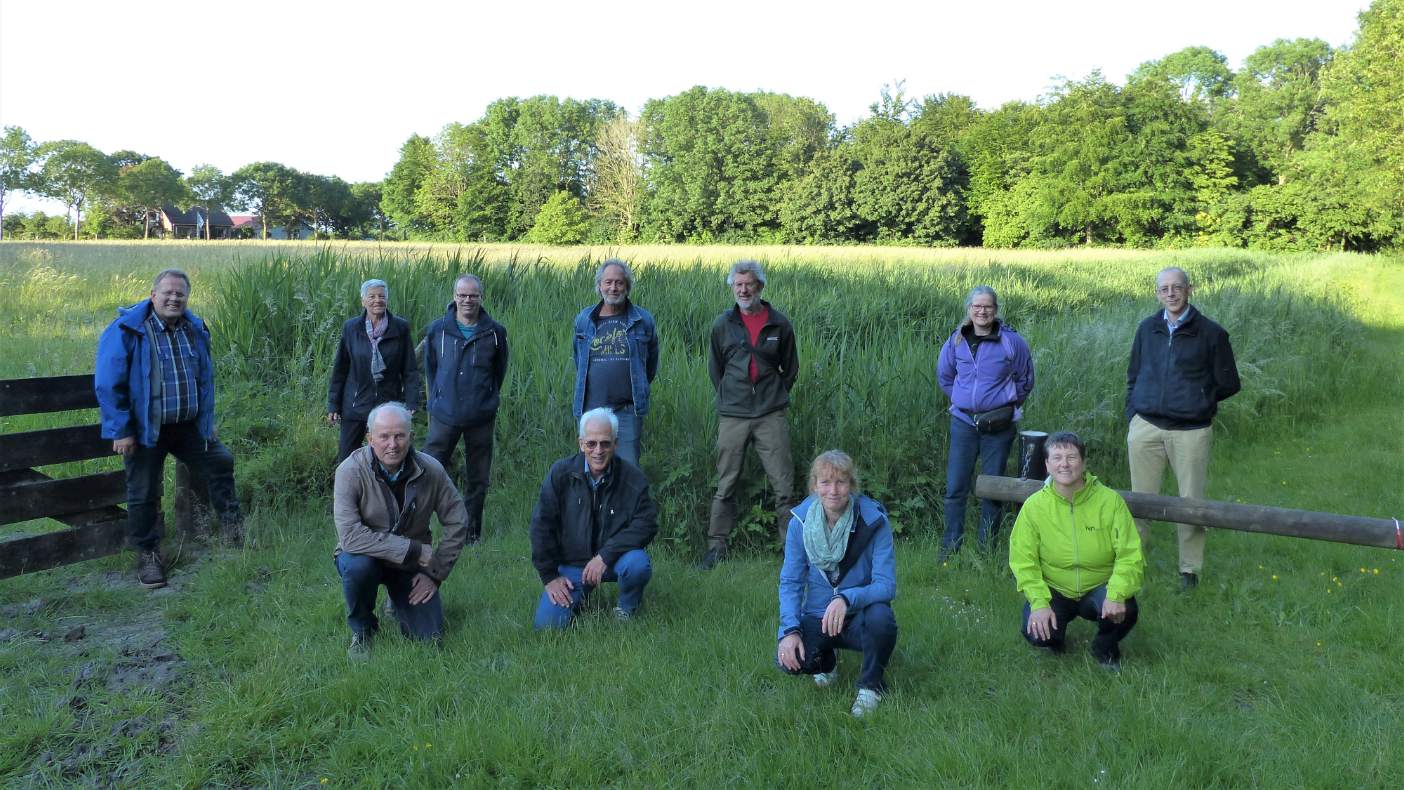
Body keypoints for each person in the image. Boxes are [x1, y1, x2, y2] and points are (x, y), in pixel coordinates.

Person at [95, 269, 243, 589]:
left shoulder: (194, 328)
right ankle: (148, 554)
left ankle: (233, 531)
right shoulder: (127, 330)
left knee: (220, 462)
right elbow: (108, 383)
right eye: (168, 293)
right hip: (146, 428)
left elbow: (204, 379)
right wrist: (120, 430)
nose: (174, 298)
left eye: (180, 294)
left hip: (187, 427)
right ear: (153, 295)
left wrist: (206, 422)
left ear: (187, 297)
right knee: (143, 490)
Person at [1126, 267, 1240, 589]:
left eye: (1177, 287)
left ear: (1189, 289)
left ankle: (1189, 571)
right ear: (1157, 293)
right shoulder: (1147, 329)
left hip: (1191, 432)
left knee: (1190, 504)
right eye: (1164, 288)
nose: (1171, 293)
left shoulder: (1211, 333)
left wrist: (1198, 401)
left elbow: (1229, 383)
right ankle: (1132, 567)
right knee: (1139, 502)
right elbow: (1133, 374)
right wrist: (1133, 415)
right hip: (1146, 427)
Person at [332, 402, 469, 659]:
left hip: (408, 565)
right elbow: (350, 537)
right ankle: (362, 630)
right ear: (370, 438)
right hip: (366, 556)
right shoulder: (349, 471)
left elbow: (458, 520)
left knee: (429, 637)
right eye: (384, 436)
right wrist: (414, 550)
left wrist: (435, 573)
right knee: (357, 567)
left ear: (411, 436)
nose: (392, 444)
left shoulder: (431, 470)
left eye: (399, 436)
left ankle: (396, 600)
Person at [777, 450, 897, 718]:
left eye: (841, 482)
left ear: (851, 485)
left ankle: (871, 687)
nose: (833, 490)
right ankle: (827, 663)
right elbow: (791, 582)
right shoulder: (799, 524)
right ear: (814, 486)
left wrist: (846, 598)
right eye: (826, 482)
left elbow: (887, 585)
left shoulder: (874, 521)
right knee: (787, 660)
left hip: (858, 617)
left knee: (882, 618)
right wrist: (789, 631)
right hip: (818, 616)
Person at [1008, 432, 1143, 668]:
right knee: (1036, 632)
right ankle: (1054, 639)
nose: (1065, 464)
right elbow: (1023, 560)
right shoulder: (1034, 507)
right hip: (1056, 589)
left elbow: (1130, 554)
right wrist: (1039, 603)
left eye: (1071, 457)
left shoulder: (1110, 501)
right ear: (1047, 465)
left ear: (1083, 463)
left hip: (1099, 586)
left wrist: (1116, 594)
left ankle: (1104, 647)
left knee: (1126, 610)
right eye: (1057, 458)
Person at [703, 260, 799, 570]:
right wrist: (732, 395)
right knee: (725, 484)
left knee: (784, 486)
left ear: (760, 286)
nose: (743, 290)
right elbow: (716, 369)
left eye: (749, 284)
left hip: (771, 413)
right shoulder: (723, 324)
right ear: (733, 287)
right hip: (733, 414)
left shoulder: (779, 324)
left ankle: (791, 551)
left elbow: (790, 369)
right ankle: (716, 548)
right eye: (738, 285)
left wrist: (772, 395)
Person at [530, 407, 658, 629]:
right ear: (581, 444)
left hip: (613, 560)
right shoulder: (560, 474)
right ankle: (578, 597)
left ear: (616, 444)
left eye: (605, 443)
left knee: (638, 564)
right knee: (547, 627)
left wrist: (605, 555)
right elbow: (541, 525)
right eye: (591, 443)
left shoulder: (633, 478)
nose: (598, 450)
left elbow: (647, 523)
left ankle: (627, 609)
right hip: (572, 565)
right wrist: (549, 577)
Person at [936, 285, 1035, 559]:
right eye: (977, 306)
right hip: (963, 423)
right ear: (969, 309)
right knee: (955, 487)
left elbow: (1025, 379)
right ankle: (950, 549)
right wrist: (964, 400)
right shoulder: (956, 340)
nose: (982, 311)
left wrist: (1004, 405)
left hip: (998, 427)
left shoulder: (1011, 341)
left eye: (988, 306)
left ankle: (986, 550)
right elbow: (945, 376)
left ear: (996, 310)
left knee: (993, 488)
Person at [422, 274, 509, 544]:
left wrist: (487, 399)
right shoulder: (437, 330)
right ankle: (422, 528)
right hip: (444, 415)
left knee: (478, 478)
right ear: (454, 297)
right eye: (462, 295)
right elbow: (431, 369)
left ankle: (471, 534)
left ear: (481, 297)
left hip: (480, 416)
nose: (467, 300)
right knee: (428, 471)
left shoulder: (495, 333)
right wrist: (437, 400)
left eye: (473, 295)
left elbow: (499, 372)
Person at [572, 258, 659, 467]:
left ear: (627, 287)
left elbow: (650, 364)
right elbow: (579, 359)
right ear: (599, 286)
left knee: (628, 468)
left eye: (619, 283)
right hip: (591, 409)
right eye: (608, 282)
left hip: (627, 411)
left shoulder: (643, 320)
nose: (613, 288)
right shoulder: (584, 319)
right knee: (593, 467)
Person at [328, 279, 421, 463]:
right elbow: (340, 370)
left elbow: (409, 370)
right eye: (371, 296)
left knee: (388, 455)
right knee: (347, 457)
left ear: (387, 299)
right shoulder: (351, 328)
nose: (377, 300)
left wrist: (411, 401)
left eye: (381, 296)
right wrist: (333, 405)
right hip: (355, 403)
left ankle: (386, 483)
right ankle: (350, 483)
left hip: (387, 405)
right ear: (363, 301)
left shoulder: (400, 328)